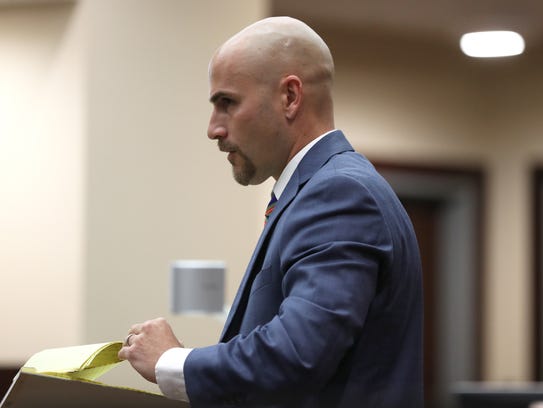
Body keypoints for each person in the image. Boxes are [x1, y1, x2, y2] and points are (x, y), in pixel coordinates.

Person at [119, 16, 423, 408]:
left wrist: (172, 362)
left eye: (227, 103)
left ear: (290, 97)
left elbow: (297, 353)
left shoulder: (339, 193)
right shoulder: (316, 192)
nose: (213, 129)